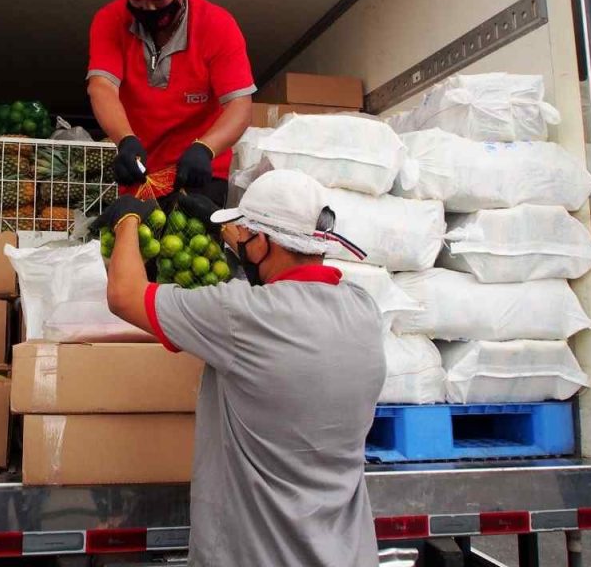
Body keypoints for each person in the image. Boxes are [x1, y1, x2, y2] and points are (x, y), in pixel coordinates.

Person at [98, 169, 386, 567]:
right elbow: (285, 280)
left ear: (263, 243)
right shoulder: (363, 310)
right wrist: (233, 233)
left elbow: (124, 295)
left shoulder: (241, 316)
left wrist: (127, 218)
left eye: (248, 237)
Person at [87, 0, 255, 206]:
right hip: (139, 168)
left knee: (192, 243)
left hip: (201, 169)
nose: (149, 8)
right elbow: (102, 86)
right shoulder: (108, 21)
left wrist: (206, 148)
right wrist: (125, 140)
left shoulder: (217, 24)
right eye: (137, 0)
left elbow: (240, 104)